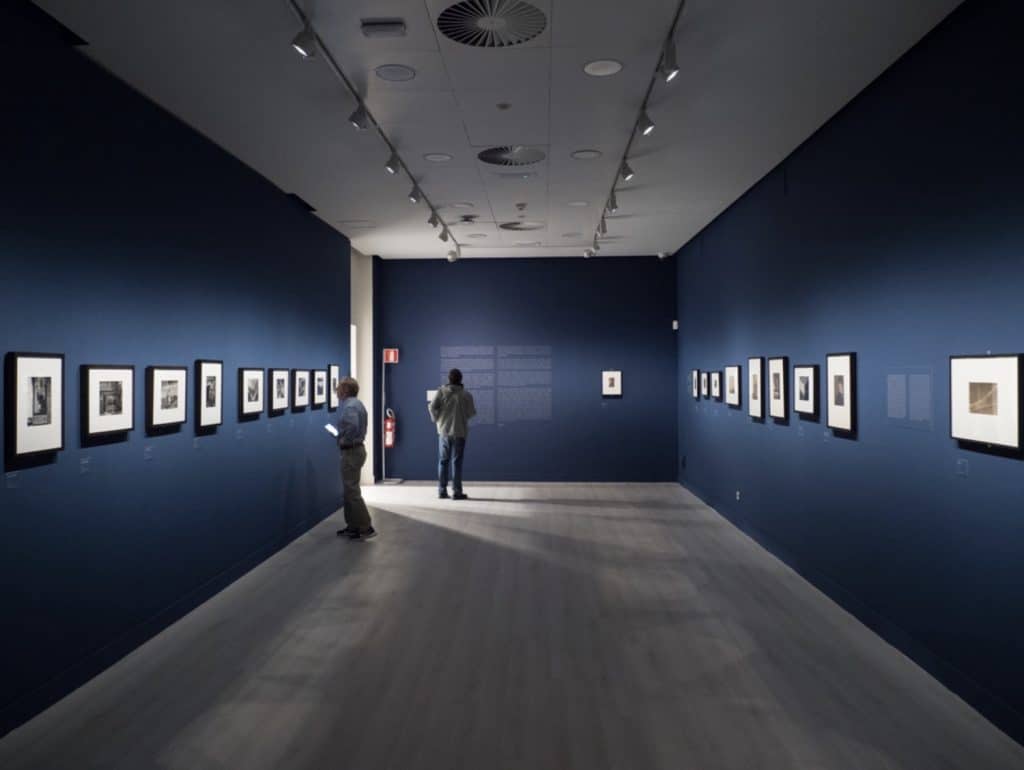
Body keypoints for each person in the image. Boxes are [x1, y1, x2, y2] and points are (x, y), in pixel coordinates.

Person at [334, 376, 375, 540]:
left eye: (339, 388)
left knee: (352, 492)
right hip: (356, 450)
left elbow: (352, 426)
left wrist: (343, 439)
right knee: (349, 491)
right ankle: (352, 526)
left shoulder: (350, 406)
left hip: (351, 451)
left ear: (345, 390)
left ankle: (365, 526)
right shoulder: (357, 404)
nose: (336, 391)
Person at [429, 368, 476, 500]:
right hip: (460, 431)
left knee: (443, 461)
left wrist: (437, 419)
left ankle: (442, 491)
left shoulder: (441, 392)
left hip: (444, 431)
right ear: (461, 379)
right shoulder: (466, 395)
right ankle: (457, 492)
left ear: (449, 379)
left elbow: (432, 407)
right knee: (457, 462)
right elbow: (470, 413)